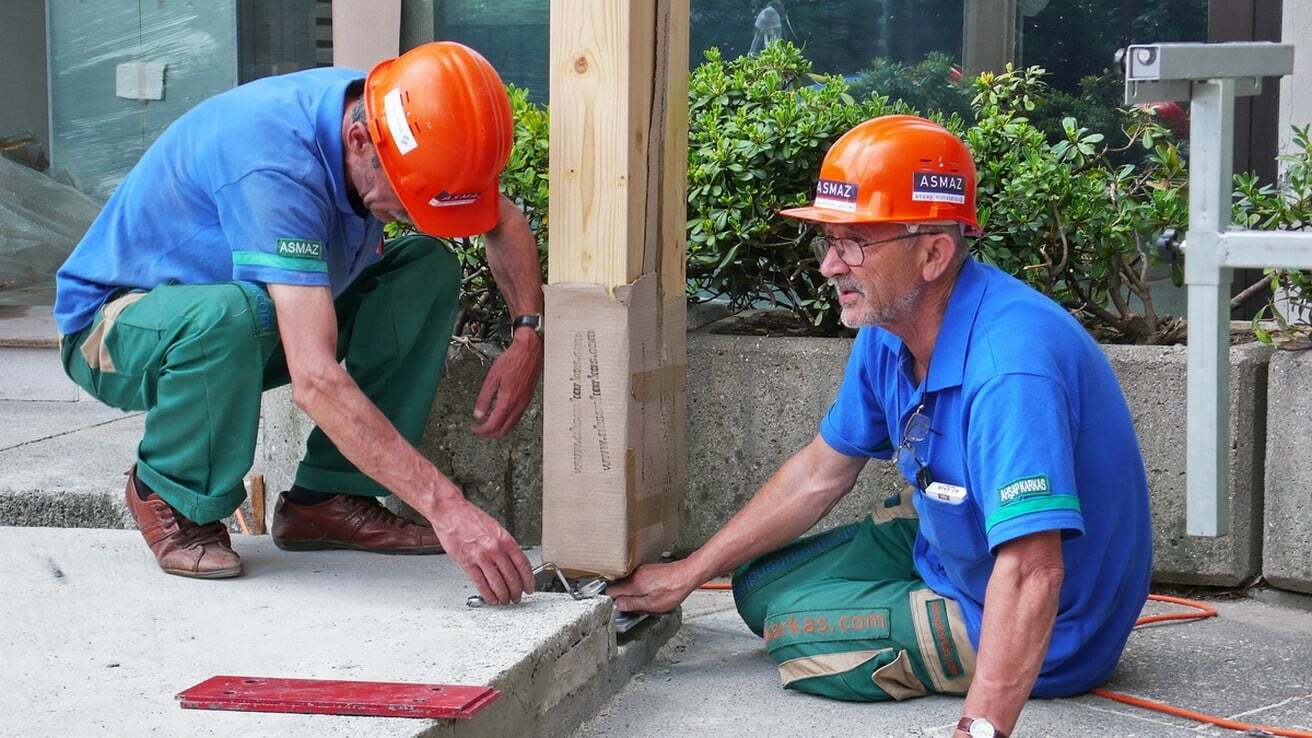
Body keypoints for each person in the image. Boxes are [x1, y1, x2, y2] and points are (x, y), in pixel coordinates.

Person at [609, 115, 1152, 737]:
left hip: (1053, 625)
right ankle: (918, 591)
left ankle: (948, 630)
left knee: (790, 629)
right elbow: (819, 472)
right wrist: (686, 574)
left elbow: (1034, 571)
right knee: (756, 586)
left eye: (853, 243)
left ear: (933, 253)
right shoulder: (889, 327)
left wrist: (979, 729)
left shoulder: (1010, 367)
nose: (829, 267)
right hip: (955, 536)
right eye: (828, 242)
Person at [53, 42, 540, 606]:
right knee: (235, 313)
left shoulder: (398, 114)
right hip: (115, 329)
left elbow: (500, 217)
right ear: (360, 143)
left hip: (243, 324)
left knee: (422, 271)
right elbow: (314, 378)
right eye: (408, 202)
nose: (412, 216)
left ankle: (326, 502)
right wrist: (446, 506)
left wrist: (528, 333)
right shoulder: (272, 162)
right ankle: (168, 492)